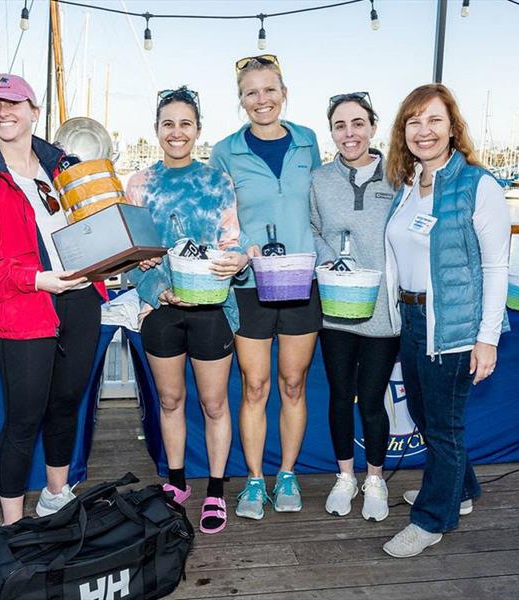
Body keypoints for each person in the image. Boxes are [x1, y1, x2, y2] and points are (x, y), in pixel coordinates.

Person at [0, 73, 106, 526]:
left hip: (79, 300)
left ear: (34, 111)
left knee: (66, 403)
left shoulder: (66, 167)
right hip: (21, 311)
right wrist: (35, 279)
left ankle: (56, 493)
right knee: (23, 419)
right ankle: (12, 525)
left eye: (12, 103)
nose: (3, 112)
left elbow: (98, 225)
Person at [381, 84, 510, 557]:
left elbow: (497, 267)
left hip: (453, 327)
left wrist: (487, 338)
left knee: (444, 425)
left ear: (452, 126)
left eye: (434, 120)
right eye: (413, 121)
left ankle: (433, 518)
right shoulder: (410, 185)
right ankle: (461, 488)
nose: (424, 130)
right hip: (413, 321)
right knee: (426, 416)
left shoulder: (480, 185)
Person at [127, 86, 247, 534]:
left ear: (198, 130)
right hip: (160, 309)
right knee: (170, 399)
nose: (176, 132)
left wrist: (231, 263)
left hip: (211, 308)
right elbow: (130, 256)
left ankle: (216, 487)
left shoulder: (217, 182)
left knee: (214, 404)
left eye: (185, 123)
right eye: (168, 123)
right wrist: (157, 287)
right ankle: (176, 481)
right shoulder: (138, 184)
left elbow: (231, 246)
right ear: (157, 130)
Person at [210, 55, 322, 520]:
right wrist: (241, 250)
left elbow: (321, 206)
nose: (262, 100)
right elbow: (218, 219)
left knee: (293, 384)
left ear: (284, 92)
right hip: (249, 286)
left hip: (301, 282)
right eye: (251, 92)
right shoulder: (224, 151)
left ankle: (288, 474)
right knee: (254, 386)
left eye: (269, 90)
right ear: (241, 100)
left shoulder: (309, 141)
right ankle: (255, 480)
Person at [310, 92, 399, 522]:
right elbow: (310, 228)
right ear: (332, 132)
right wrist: (328, 257)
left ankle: (376, 480)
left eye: (358, 123)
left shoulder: (399, 176)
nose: (350, 133)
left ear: (372, 127)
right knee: (341, 396)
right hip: (334, 310)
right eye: (341, 126)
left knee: (372, 401)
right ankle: (345, 476)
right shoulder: (320, 179)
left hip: (383, 312)